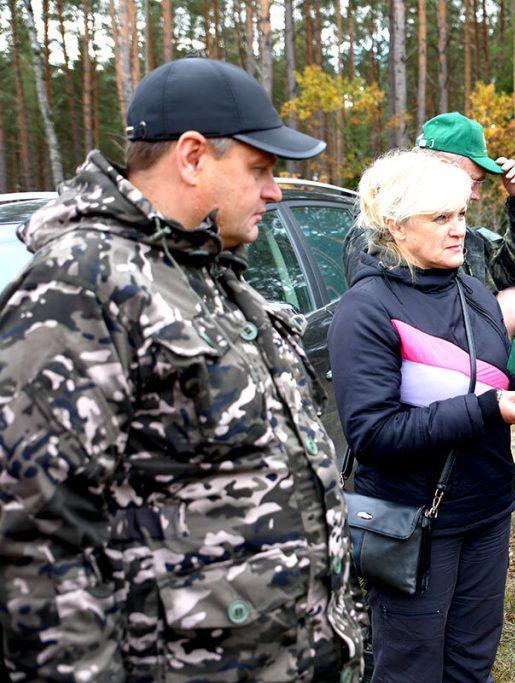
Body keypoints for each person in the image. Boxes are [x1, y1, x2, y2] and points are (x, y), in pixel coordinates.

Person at [0, 57, 364, 680]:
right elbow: (34, 544)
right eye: (260, 169)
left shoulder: (206, 272)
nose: (275, 191)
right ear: (193, 157)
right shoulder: (83, 286)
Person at [328, 150, 515, 682]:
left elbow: (496, 381)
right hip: (411, 522)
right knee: (412, 668)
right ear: (397, 228)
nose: (459, 231)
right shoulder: (367, 309)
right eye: (440, 219)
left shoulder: (474, 291)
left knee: (472, 664)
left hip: (488, 509)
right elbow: (374, 434)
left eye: (461, 216)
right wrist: (485, 410)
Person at [343, 112, 515, 334]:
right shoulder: (374, 238)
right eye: (472, 181)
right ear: (435, 167)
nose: (476, 195)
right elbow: (406, 321)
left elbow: (511, 274)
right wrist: (494, 317)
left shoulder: (463, 235)